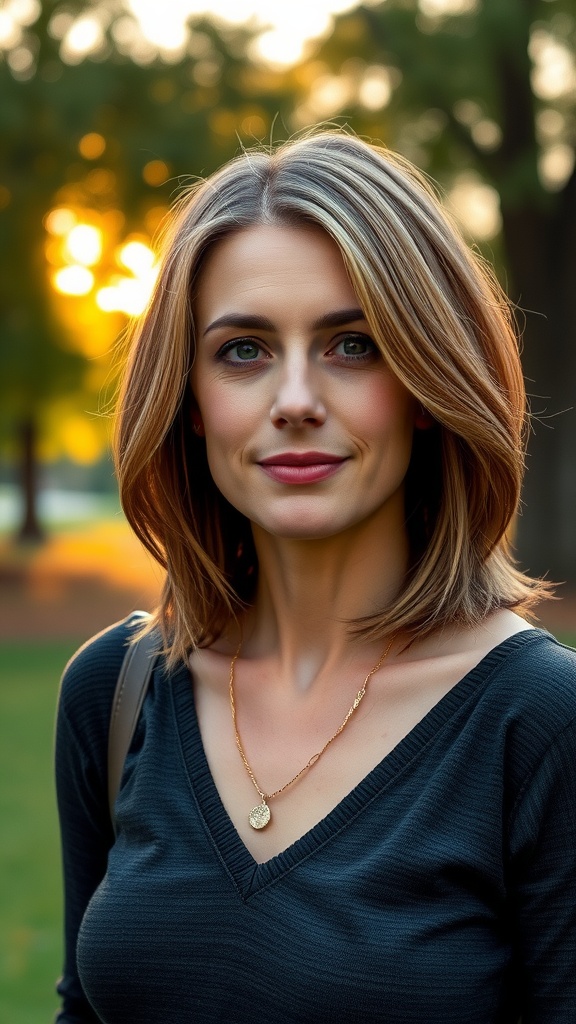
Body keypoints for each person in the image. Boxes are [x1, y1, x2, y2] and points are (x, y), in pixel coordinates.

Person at [54, 129, 576, 1024]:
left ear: (425, 386)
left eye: (353, 345)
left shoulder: (540, 722)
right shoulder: (116, 694)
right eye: (244, 351)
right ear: (189, 401)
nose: (295, 400)